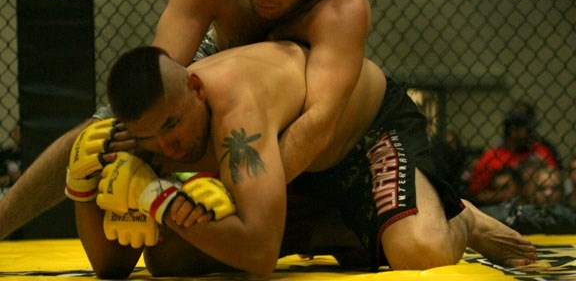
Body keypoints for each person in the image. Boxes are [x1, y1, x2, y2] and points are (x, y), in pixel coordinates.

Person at [0, 0, 371, 240]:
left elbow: (320, 122)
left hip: (295, 91)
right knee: (110, 129)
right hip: (219, 70)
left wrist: (234, 194)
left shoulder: (342, 7)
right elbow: (159, 84)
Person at [70, 42, 537, 278]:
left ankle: (461, 217)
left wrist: (158, 198)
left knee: (419, 253)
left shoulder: (238, 117)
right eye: (151, 140)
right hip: (293, 175)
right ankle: (343, 230)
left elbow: (257, 254)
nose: (168, 149)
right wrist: (84, 190)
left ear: (196, 89)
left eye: (173, 127)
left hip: (363, 133)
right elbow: (111, 268)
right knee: (170, 260)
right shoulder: (146, 134)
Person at [468, 111, 559, 206]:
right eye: (527, 130)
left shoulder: (539, 151)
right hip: (499, 208)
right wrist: (503, 195)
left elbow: (555, 180)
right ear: (513, 131)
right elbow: (475, 193)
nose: (531, 134)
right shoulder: (491, 157)